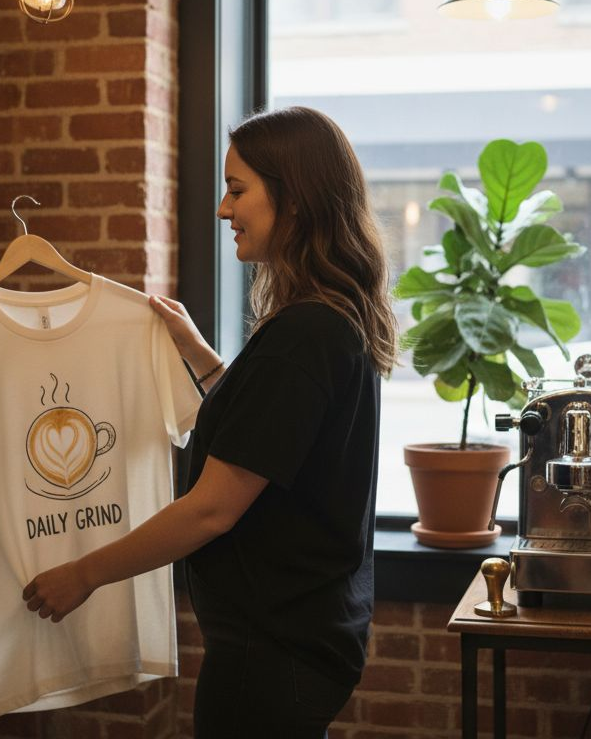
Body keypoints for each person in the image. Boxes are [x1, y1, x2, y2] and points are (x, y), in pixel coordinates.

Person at [21, 105, 397, 738]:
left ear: (295, 199)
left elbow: (211, 509)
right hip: (309, 638)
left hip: (274, 652)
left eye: (238, 190)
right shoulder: (330, 320)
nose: (224, 210)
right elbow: (275, 433)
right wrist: (202, 356)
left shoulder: (302, 335)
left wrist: (83, 573)